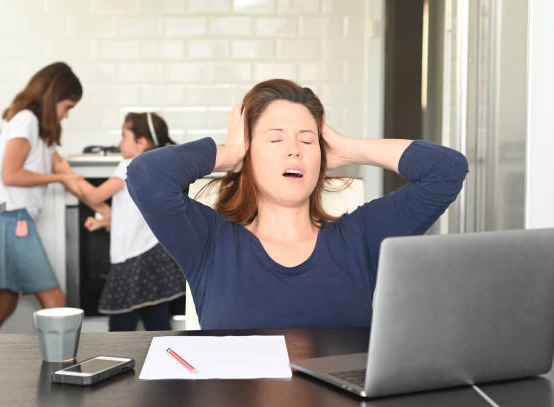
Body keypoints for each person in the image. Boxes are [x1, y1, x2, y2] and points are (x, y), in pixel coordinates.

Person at [126, 79, 468, 330]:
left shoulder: (361, 236)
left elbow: (446, 170)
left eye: (307, 140)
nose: (295, 149)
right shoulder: (210, 242)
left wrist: (348, 149)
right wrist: (231, 154)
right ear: (249, 153)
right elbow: (145, 175)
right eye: (275, 139)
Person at [0, 62, 94, 332]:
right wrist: (59, 178)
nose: (66, 116)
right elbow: (11, 175)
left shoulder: (43, 131)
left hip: (11, 218)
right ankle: (67, 366)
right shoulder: (26, 121)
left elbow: (68, 175)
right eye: (67, 107)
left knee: (6, 299)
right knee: (56, 301)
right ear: (53, 97)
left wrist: (103, 207)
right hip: (10, 218)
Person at [73, 112, 185, 332]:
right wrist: (107, 222)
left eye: (124, 136)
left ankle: (118, 363)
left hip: (132, 258)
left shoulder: (128, 165)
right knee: (157, 324)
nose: (119, 142)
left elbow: (95, 196)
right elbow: (137, 214)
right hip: (155, 255)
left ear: (141, 142)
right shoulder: (158, 165)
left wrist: (70, 176)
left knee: (120, 324)